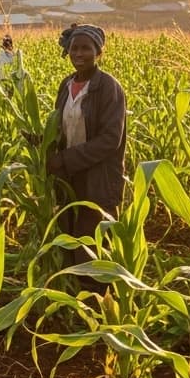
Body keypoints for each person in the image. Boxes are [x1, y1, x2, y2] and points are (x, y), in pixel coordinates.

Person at [47, 24, 127, 273]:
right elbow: (61, 129)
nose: (79, 54)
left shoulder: (108, 88)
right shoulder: (66, 85)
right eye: (74, 48)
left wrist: (64, 159)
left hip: (97, 178)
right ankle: (71, 287)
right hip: (69, 177)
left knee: (91, 244)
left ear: (98, 52)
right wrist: (41, 141)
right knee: (68, 235)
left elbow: (110, 139)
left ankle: (95, 292)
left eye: (85, 48)